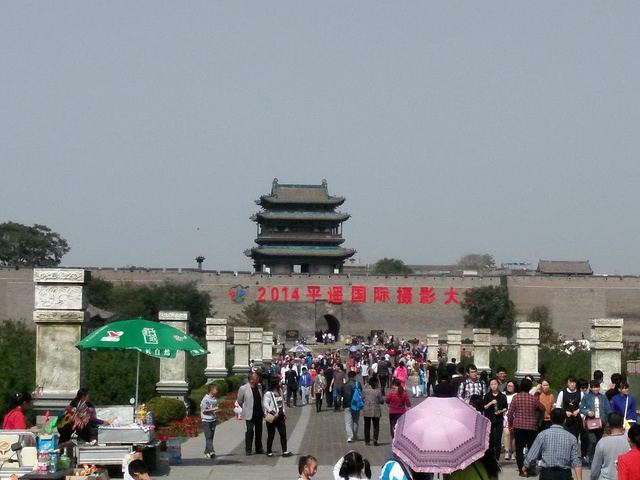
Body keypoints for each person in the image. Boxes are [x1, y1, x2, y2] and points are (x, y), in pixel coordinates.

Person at [523, 407, 582, 480]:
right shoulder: (571, 437)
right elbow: (576, 460)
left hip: (547, 473)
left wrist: (525, 466)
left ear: (550, 419)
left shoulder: (543, 435)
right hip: (564, 474)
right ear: (565, 420)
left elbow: (532, 454)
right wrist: (579, 478)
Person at [508, 377, 545, 476]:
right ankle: (531, 468)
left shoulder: (516, 397)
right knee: (532, 448)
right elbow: (543, 408)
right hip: (531, 426)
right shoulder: (533, 398)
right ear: (529, 387)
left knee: (519, 449)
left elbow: (510, 413)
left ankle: (521, 469)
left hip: (518, 425)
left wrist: (510, 424)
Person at [591, 412, 630, 480]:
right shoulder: (630, 442)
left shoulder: (602, 442)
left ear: (608, 424)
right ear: (622, 423)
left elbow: (596, 467)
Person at [580, 380, 611, 465]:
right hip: (591, 423)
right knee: (592, 440)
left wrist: (608, 418)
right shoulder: (586, 397)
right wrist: (588, 412)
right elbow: (581, 408)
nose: (596, 389)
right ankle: (591, 458)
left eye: (597, 387)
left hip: (601, 422)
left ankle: (598, 459)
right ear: (591, 388)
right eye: (594, 387)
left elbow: (608, 409)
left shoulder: (603, 397)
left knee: (599, 442)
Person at [237, 372, 265, 455]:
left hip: (259, 413)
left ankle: (258, 448)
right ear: (251, 380)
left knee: (259, 431)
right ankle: (248, 449)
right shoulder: (243, 388)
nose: (258, 379)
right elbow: (239, 400)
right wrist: (245, 407)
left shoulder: (259, 387)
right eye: (256, 378)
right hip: (249, 413)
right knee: (249, 431)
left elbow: (261, 399)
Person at [262, 380, 291, 457]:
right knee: (271, 434)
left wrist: (284, 414)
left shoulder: (280, 392)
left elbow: (282, 403)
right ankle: (269, 451)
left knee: (283, 433)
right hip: (272, 416)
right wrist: (273, 412)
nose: (281, 383)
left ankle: (285, 451)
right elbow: (266, 404)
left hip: (280, 416)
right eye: (279, 382)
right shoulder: (268, 393)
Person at [483, 378, 508, 461]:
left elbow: (505, 407)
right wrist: (491, 403)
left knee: (498, 439)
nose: (493, 386)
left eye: (495, 384)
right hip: (489, 419)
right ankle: (490, 457)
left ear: (498, 385)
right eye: (492, 384)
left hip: (499, 419)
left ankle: (497, 457)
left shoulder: (502, 396)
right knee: (490, 439)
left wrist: (501, 411)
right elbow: (484, 407)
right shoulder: (487, 396)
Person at [362, 375, 383, 446]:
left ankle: (367, 441)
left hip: (367, 409)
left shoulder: (365, 390)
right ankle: (375, 439)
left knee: (367, 426)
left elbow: (362, 398)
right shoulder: (377, 391)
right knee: (376, 425)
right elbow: (381, 401)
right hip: (375, 409)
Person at [201, 383, 219, 458]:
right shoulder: (205, 399)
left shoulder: (215, 400)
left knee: (211, 437)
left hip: (213, 420)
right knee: (208, 436)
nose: (217, 391)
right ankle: (212, 451)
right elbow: (204, 410)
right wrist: (213, 409)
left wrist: (216, 411)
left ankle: (206, 451)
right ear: (211, 390)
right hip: (206, 420)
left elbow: (215, 408)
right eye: (216, 389)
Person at [343, 371, 361, 443]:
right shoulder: (358, 384)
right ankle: (355, 435)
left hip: (347, 405)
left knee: (348, 422)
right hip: (356, 404)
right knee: (355, 421)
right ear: (354, 376)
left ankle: (350, 436)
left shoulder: (345, 385)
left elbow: (342, 393)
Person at [503, 379, 519, 460]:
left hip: (514, 416)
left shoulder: (517, 395)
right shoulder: (503, 394)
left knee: (513, 434)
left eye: (511, 386)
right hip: (505, 416)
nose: (509, 387)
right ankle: (507, 451)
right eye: (508, 386)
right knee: (507, 433)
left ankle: (513, 451)